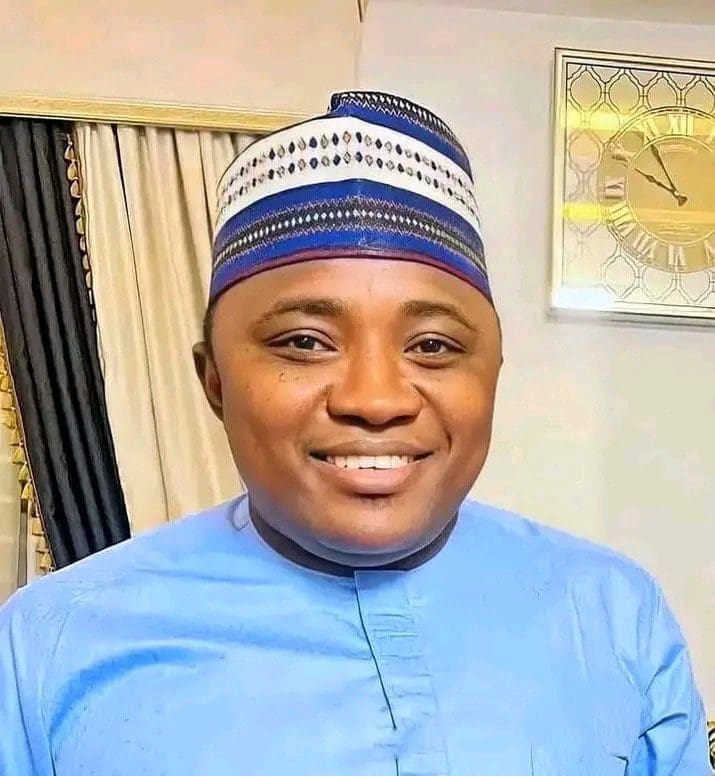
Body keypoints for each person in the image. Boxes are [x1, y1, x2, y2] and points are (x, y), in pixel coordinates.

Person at [0, 91, 708, 775]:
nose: (376, 400)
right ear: (214, 381)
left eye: (432, 346)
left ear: (493, 374)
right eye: (305, 342)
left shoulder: (612, 611)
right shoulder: (48, 646)